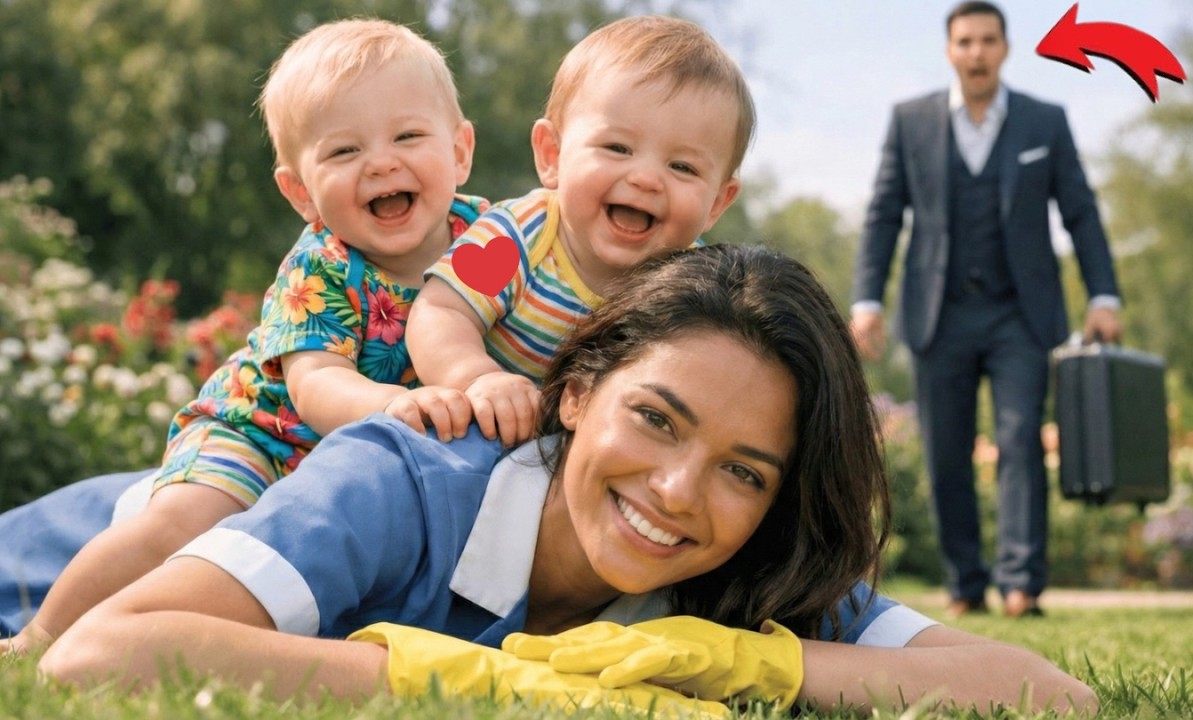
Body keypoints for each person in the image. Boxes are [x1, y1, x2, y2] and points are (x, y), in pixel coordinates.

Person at [36, 245, 1097, 716]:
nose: (679, 492)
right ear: (578, 389)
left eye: (742, 470)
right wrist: (500, 686)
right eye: (654, 417)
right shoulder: (401, 480)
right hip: (37, 568)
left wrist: (736, 661)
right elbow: (99, 654)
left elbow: (1046, 696)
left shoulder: (739, 576)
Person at [0, 18, 485, 654]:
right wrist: (394, 405)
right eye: (344, 151)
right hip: (260, 433)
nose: (382, 162)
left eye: (408, 135)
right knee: (184, 523)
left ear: (459, 151)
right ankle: (37, 638)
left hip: (353, 474)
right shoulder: (323, 266)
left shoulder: (490, 244)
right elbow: (317, 386)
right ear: (299, 192)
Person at [849, 1, 1122, 619]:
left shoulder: (1043, 121)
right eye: (965, 41)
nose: (976, 52)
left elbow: (1079, 211)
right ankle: (965, 583)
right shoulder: (911, 120)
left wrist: (1104, 295)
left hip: (1019, 314)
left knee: (1022, 439)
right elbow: (884, 214)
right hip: (938, 313)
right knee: (947, 450)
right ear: (950, 50)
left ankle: (1022, 583)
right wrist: (867, 301)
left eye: (987, 41)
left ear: (1005, 48)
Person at [389, 15, 749, 448]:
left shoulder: (693, 284)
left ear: (716, 203)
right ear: (553, 155)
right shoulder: (522, 237)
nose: (646, 178)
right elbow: (442, 313)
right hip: (471, 434)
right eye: (617, 148)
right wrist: (476, 378)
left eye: (682, 167)